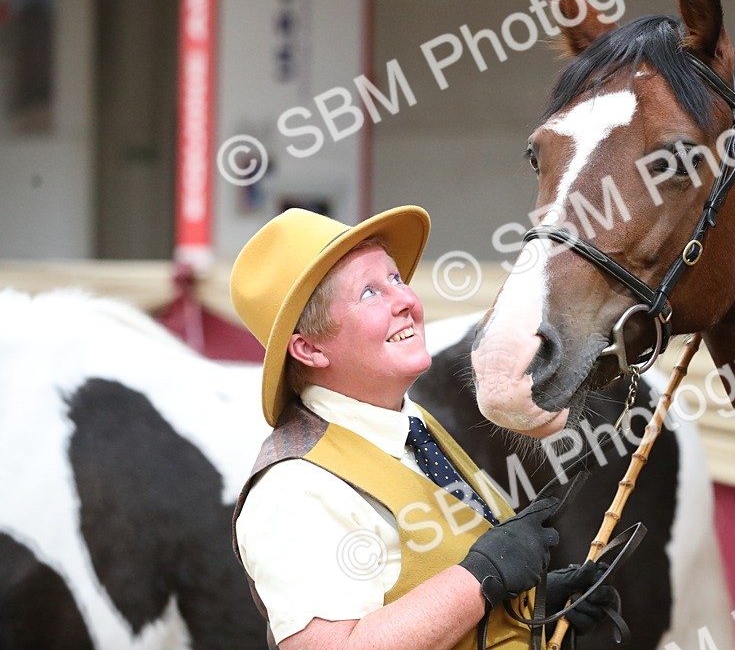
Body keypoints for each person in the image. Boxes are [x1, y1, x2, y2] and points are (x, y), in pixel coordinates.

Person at [228, 207, 614, 649]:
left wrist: (532, 605)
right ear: (309, 348)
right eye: (370, 293)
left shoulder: (413, 423)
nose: (406, 300)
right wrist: (480, 579)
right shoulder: (293, 490)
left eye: (395, 279)